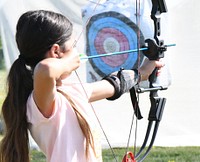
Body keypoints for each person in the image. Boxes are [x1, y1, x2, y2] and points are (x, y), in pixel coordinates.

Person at [0, 10, 164, 162]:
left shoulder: (71, 90)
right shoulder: (40, 103)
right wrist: (69, 61)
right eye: (73, 46)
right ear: (56, 52)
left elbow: (114, 84)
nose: (76, 52)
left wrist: (144, 70)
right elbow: (46, 70)